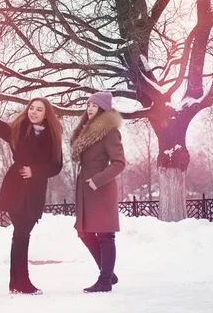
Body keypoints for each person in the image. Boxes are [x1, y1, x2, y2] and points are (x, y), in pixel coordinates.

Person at [0, 93, 63, 295]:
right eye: (32, 108)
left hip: (35, 190)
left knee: (22, 234)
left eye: (39, 109)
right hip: (15, 186)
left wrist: (35, 171)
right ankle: (21, 282)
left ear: (46, 115)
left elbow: (56, 166)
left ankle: (16, 282)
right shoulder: (18, 129)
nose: (33, 112)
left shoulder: (53, 137)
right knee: (21, 233)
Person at [70, 91, 125, 293]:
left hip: (100, 188)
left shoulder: (109, 131)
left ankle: (104, 281)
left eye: (94, 105)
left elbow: (119, 163)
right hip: (84, 188)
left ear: (103, 108)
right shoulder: (86, 130)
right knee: (84, 233)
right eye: (88, 104)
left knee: (105, 235)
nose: (90, 108)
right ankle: (108, 273)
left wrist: (97, 180)